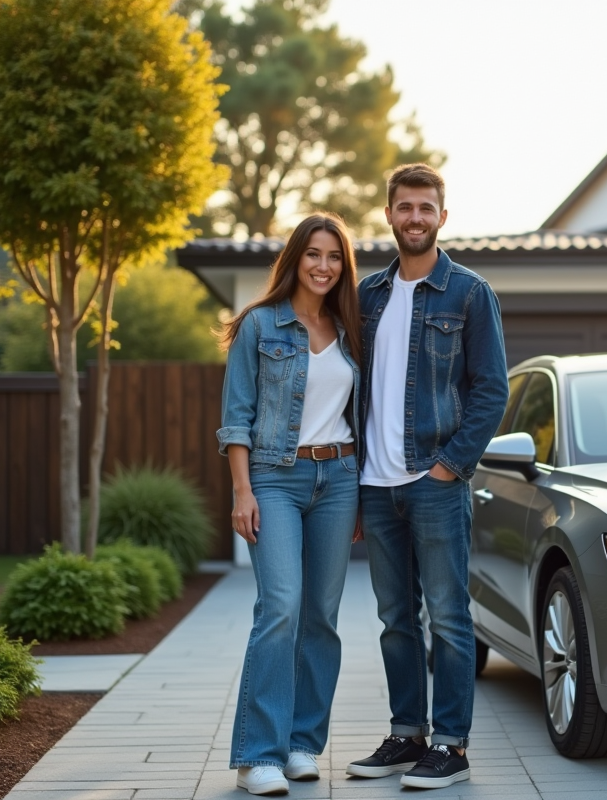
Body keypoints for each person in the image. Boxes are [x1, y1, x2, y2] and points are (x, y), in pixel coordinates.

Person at [346, 163, 508, 789]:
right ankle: (406, 734)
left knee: (449, 616)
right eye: (405, 207)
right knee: (394, 618)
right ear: (388, 214)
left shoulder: (469, 293)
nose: (415, 218)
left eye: (426, 208)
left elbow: (491, 390)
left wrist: (449, 466)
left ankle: (453, 747)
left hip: (434, 482)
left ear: (443, 216)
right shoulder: (367, 297)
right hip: (376, 486)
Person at [217, 213, 363, 796]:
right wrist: (242, 490)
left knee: (322, 618)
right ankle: (259, 756)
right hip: (275, 478)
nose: (324, 266)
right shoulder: (259, 324)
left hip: (341, 477)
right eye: (314, 254)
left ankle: (303, 744)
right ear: (295, 259)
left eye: (334, 257)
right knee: (280, 606)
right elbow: (236, 418)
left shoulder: (351, 326)